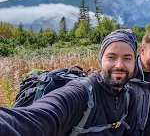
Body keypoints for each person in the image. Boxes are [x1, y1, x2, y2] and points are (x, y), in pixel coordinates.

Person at [0, 29, 139, 136]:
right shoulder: (81, 94)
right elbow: (35, 119)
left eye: (127, 58)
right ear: (100, 60)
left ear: (135, 62)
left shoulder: (129, 96)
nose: (119, 65)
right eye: (111, 57)